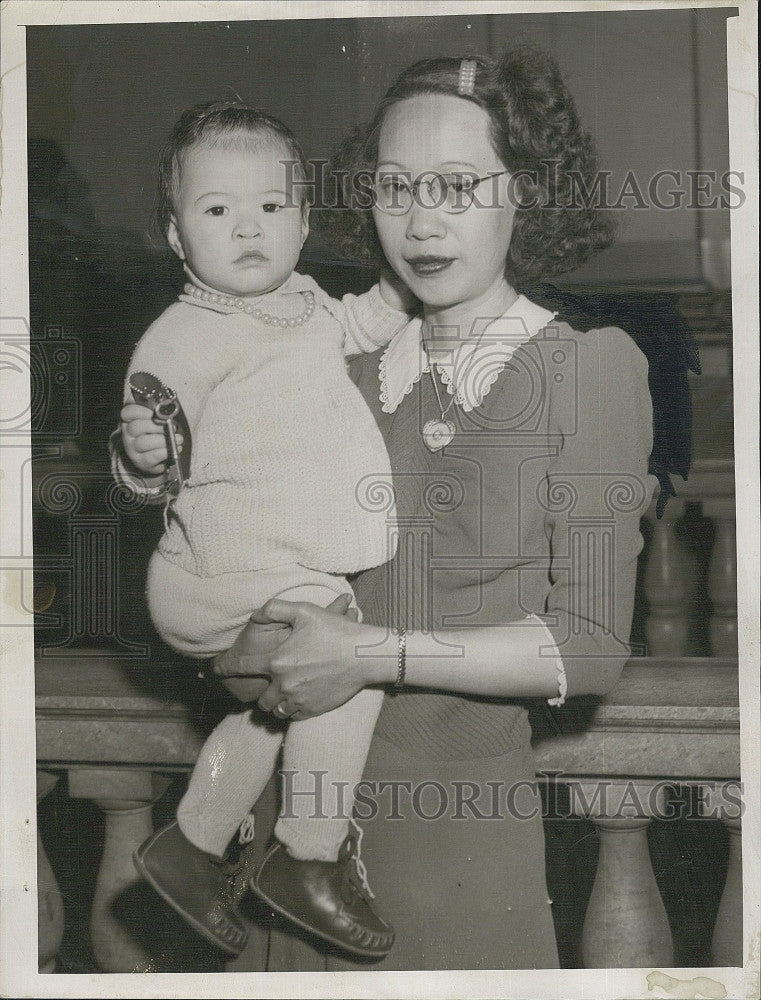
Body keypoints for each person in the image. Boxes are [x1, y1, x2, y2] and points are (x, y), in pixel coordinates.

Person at [213, 49, 659, 971]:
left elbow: (588, 646)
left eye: (457, 186)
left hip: (454, 844)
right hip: (288, 835)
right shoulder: (333, 370)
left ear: (525, 194)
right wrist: (245, 641)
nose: (420, 222)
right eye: (394, 187)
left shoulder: (584, 370)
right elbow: (241, 632)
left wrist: (366, 654)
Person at [111, 100, 414, 960]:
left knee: (285, 703)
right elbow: (152, 456)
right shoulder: (182, 336)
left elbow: (359, 324)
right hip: (222, 568)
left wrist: (405, 279)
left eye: (271, 208)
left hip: (266, 570)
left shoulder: (305, 304)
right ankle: (309, 856)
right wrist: (145, 451)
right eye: (217, 210)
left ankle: (195, 842)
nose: (248, 228)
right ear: (176, 236)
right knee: (344, 663)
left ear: (305, 221)